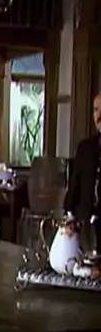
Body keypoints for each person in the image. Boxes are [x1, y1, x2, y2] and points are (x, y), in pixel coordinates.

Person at [64, 92, 101, 252]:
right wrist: (69, 217)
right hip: (85, 225)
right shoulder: (85, 148)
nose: (99, 115)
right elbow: (74, 186)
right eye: (95, 110)